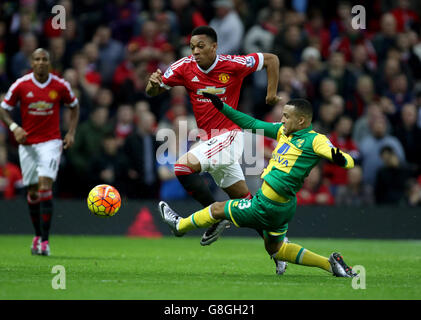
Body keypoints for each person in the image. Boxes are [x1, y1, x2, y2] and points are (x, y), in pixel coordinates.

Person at [159, 93, 357, 277]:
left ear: (301, 120)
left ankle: (180, 226)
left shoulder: (315, 140)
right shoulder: (283, 132)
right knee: (277, 249)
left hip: (267, 205)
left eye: (287, 116)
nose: (282, 120)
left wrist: (339, 158)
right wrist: (223, 107)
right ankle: (330, 265)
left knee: (218, 208)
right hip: (282, 206)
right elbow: (252, 123)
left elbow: (346, 160)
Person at [146, 26, 280, 246]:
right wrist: (152, 85)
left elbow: (272, 59)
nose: (195, 51)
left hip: (229, 136)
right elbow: (153, 90)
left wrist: (271, 93)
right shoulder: (183, 67)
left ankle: (214, 219)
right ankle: (279, 251)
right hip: (211, 142)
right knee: (247, 204)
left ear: (214, 46)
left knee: (182, 167)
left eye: (200, 46)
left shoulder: (233, 64)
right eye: (192, 47)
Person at [0, 48, 80, 256]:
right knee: (33, 192)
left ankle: (45, 241)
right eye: (37, 59)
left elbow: (74, 105)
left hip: (51, 143)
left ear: (50, 63)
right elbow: (3, 108)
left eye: (45, 59)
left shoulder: (59, 85)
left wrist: (70, 133)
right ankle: (37, 235)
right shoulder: (21, 85)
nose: (41, 62)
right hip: (27, 144)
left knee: (45, 186)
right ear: (32, 63)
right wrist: (14, 127)